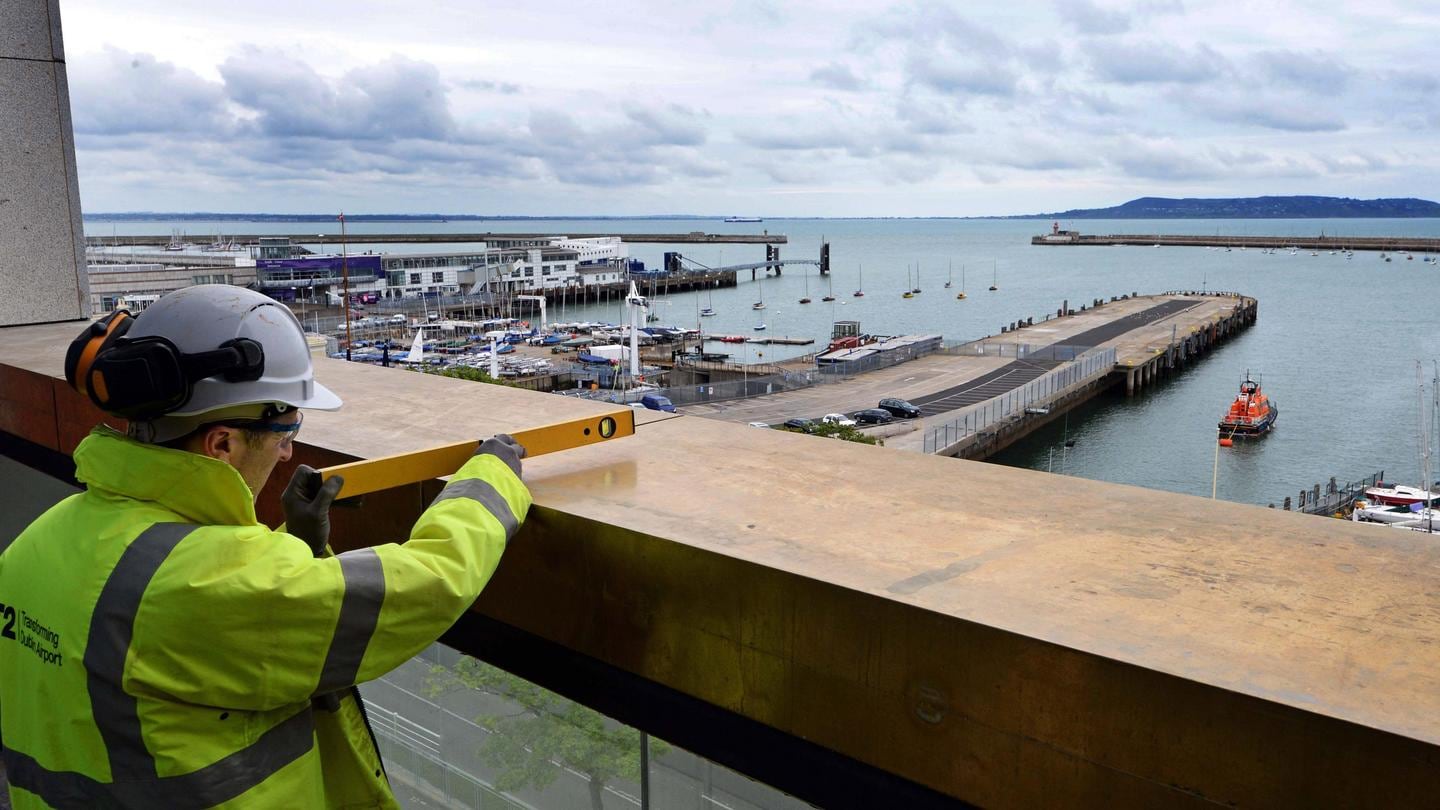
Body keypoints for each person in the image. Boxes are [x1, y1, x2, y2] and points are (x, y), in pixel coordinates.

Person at [0, 286, 531, 808]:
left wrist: (292, 543)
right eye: (284, 429)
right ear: (223, 443)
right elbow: (428, 583)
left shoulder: (39, 541)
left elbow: (182, 632)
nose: (288, 451)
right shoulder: (209, 585)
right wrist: (490, 481)